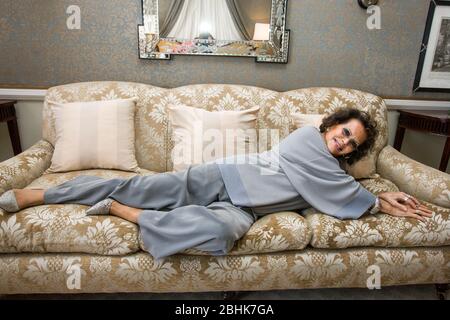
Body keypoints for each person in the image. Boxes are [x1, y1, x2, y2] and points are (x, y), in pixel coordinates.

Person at [0, 108, 432, 259]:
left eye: (350, 144)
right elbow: (340, 192)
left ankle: (122, 212)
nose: (342, 143)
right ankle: (37, 193)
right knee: (133, 185)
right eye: (341, 132)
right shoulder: (306, 140)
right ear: (330, 127)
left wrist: (379, 197)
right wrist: (375, 201)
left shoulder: (332, 173)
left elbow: (337, 191)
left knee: (220, 233)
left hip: (243, 208)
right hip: (221, 177)